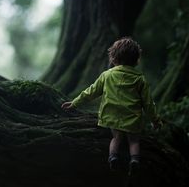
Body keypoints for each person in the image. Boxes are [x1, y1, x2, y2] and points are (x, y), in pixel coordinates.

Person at [62, 38, 161, 178]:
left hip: (111, 115)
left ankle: (113, 157)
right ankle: (135, 160)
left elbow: (91, 92)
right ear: (136, 60)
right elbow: (148, 103)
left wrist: (75, 102)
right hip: (132, 117)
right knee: (133, 140)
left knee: (116, 138)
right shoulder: (140, 79)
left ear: (114, 59)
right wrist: (155, 120)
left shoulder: (107, 75)